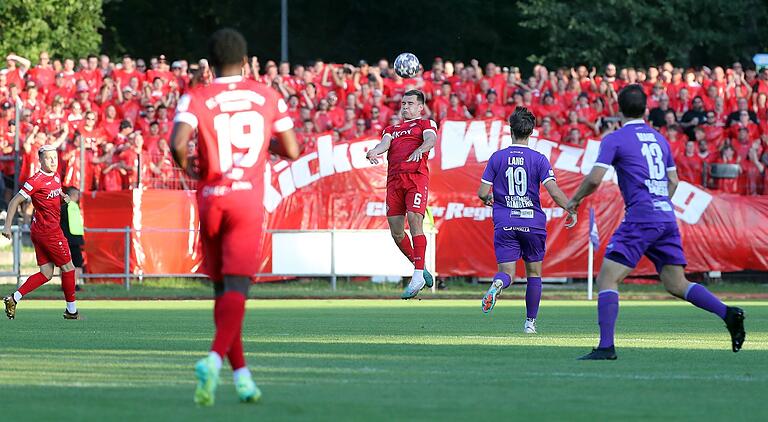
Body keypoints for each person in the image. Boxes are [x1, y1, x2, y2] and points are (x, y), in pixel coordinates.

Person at [566, 85, 745, 360]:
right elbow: (673, 181)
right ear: (647, 110)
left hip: (641, 217)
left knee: (607, 279)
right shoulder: (660, 139)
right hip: (665, 215)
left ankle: (606, 347)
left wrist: (574, 200)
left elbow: (593, 179)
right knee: (676, 284)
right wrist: (659, 201)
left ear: (618, 110)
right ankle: (728, 313)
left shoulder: (615, 139)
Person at [169, 28, 300, 406]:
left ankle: (242, 378)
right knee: (239, 290)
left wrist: (190, 170)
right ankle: (212, 361)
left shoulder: (196, 95)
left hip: (210, 199)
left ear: (209, 64)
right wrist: (263, 143)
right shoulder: (265, 94)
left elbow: (177, 143)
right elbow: (291, 148)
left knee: (223, 291)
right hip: (245, 201)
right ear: (245, 61)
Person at [477, 107, 576, 333]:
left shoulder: (497, 157)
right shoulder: (539, 159)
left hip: (505, 222)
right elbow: (553, 190)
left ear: (510, 130)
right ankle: (530, 323)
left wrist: (490, 199)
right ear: (531, 132)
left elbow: (482, 192)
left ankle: (499, 283)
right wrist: (570, 209)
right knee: (534, 274)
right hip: (532, 223)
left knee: (508, 273)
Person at [365, 90, 437, 299]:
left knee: (415, 220)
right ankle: (420, 268)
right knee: (397, 233)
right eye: (403, 103)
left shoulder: (425, 124)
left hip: (415, 178)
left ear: (420, 107)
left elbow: (431, 139)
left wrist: (421, 149)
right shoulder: (392, 129)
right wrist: (374, 152)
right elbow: (384, 144)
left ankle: (416, 276)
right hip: (394, 181)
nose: (405, 107)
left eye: (410, 103)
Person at [2, 145, 81, 320]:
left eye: (55, 157)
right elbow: (14, 201)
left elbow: (51, 200)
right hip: (49, 232)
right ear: (40, 160)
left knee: (46, 273)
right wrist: (7, 226)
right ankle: (72, 311)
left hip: (39, 230)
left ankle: (13, 298)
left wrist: (62, 200)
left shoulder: (56, 175)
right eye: (48, 158)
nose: (53, 161)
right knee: (69, 268)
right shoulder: (35, 180)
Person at [60, 187, 85, 289]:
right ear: (74, 195)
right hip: (74, 240)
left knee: (65, 264)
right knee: (77, 263)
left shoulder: (62, 207)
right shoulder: (73, 206)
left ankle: (65, 285)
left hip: (64, 240)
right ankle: (73, 285)